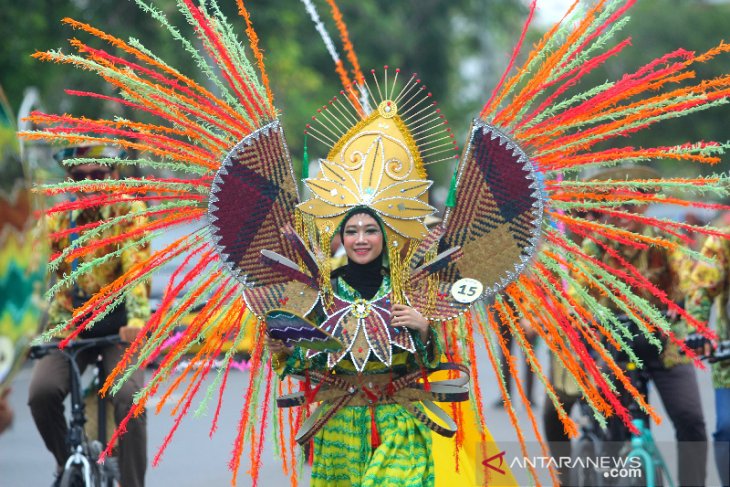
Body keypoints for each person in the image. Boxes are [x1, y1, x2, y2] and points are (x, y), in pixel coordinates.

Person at [268, 208, 442, 487]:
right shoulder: (322, 294)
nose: (361, 239)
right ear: (342, 238)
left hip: (398, 418)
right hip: (340, 424)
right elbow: (306, 361)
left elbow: (430, 363)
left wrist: (423, 328)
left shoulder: (407, 291)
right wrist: (284, 350)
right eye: (352, 231)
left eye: (370, 230)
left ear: (385, 237)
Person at [27, 146, 149, 487]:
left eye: (99, 175)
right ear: (70, 179)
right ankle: (70, 465)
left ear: (111, 175)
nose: (90, 183)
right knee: (41, 393)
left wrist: (136, 324)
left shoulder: (128, 210)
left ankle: (132, 483)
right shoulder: (57, 220)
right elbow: (33, 277)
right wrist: (21, 332)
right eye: (81, 177)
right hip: (70, 326)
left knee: (129, 401)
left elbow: (137, 276)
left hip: (118, 327)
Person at [579, 166, 707, 486]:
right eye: (614, 207)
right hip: (615, 347)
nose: (622, 214)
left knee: (690, 419)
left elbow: (690, 283)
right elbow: (577, 294)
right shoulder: (594, 248)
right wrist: (581, 317)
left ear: (643, 205)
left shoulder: (664, 241)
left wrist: (686, 316)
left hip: (665, 344)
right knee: (610, 421)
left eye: (630, 205)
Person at [685, 226, 730, 487]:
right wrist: (698, 329)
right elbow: (701, 286)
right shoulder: (723, 241)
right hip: (728, 363)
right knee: (726, 428)